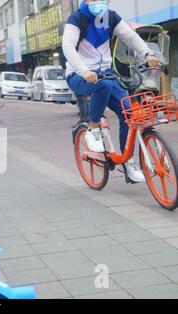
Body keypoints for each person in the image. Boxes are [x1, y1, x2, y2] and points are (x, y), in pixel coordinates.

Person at [62, 0, 160, 183]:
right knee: (102, 86)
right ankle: (93, 128)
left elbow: (129, 37)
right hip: (78, 74)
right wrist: (84, 71)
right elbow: (68, 47)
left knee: (129, 114)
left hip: (106, 73)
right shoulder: (76, 19)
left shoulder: (111, 17)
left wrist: (147, 53)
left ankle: (128, 162)